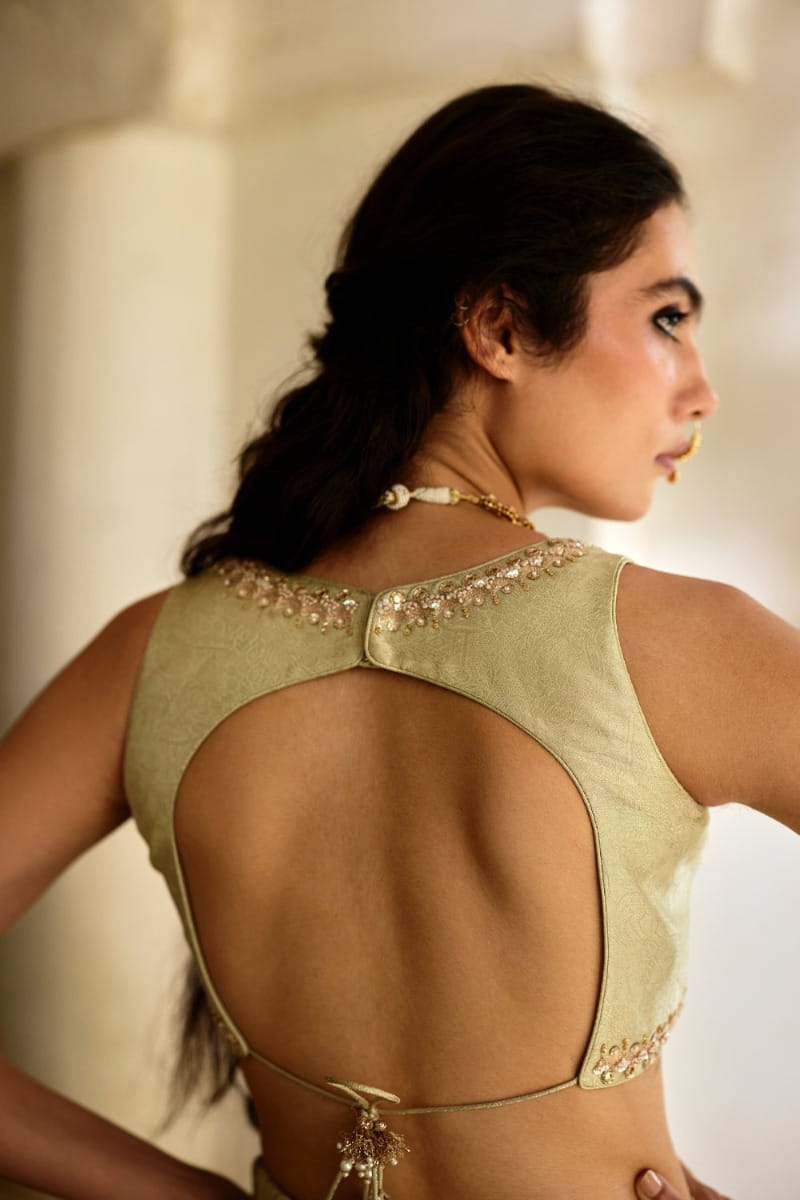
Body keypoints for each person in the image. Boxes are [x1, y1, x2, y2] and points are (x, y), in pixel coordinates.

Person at [0, 82, 795, 1200]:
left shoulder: (152, 657)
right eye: (666, 317)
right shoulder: (679, 642)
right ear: (500, 327)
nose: (700, 390)